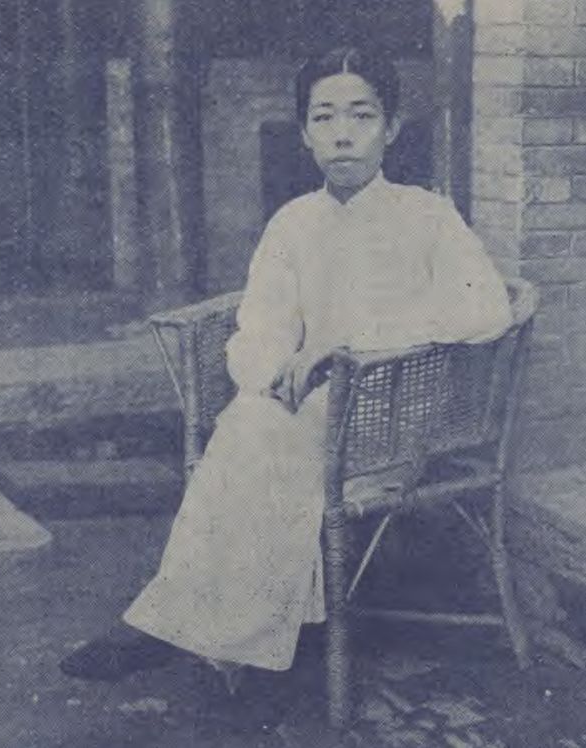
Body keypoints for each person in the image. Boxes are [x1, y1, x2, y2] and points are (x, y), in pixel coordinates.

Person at [64, 45, 512, 686]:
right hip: (310, 416)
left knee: (251, 440)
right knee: (254, 422)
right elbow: (261, 326)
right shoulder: (293, 224)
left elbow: (485, 308)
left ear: (391, 128)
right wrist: (271, 371)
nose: (342, 134)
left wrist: (351, 342)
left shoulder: (427, 216)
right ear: (303, 133)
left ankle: (181, 628)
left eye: (361, 115)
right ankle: (231, 646)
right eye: (324, 117)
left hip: (397, 422)